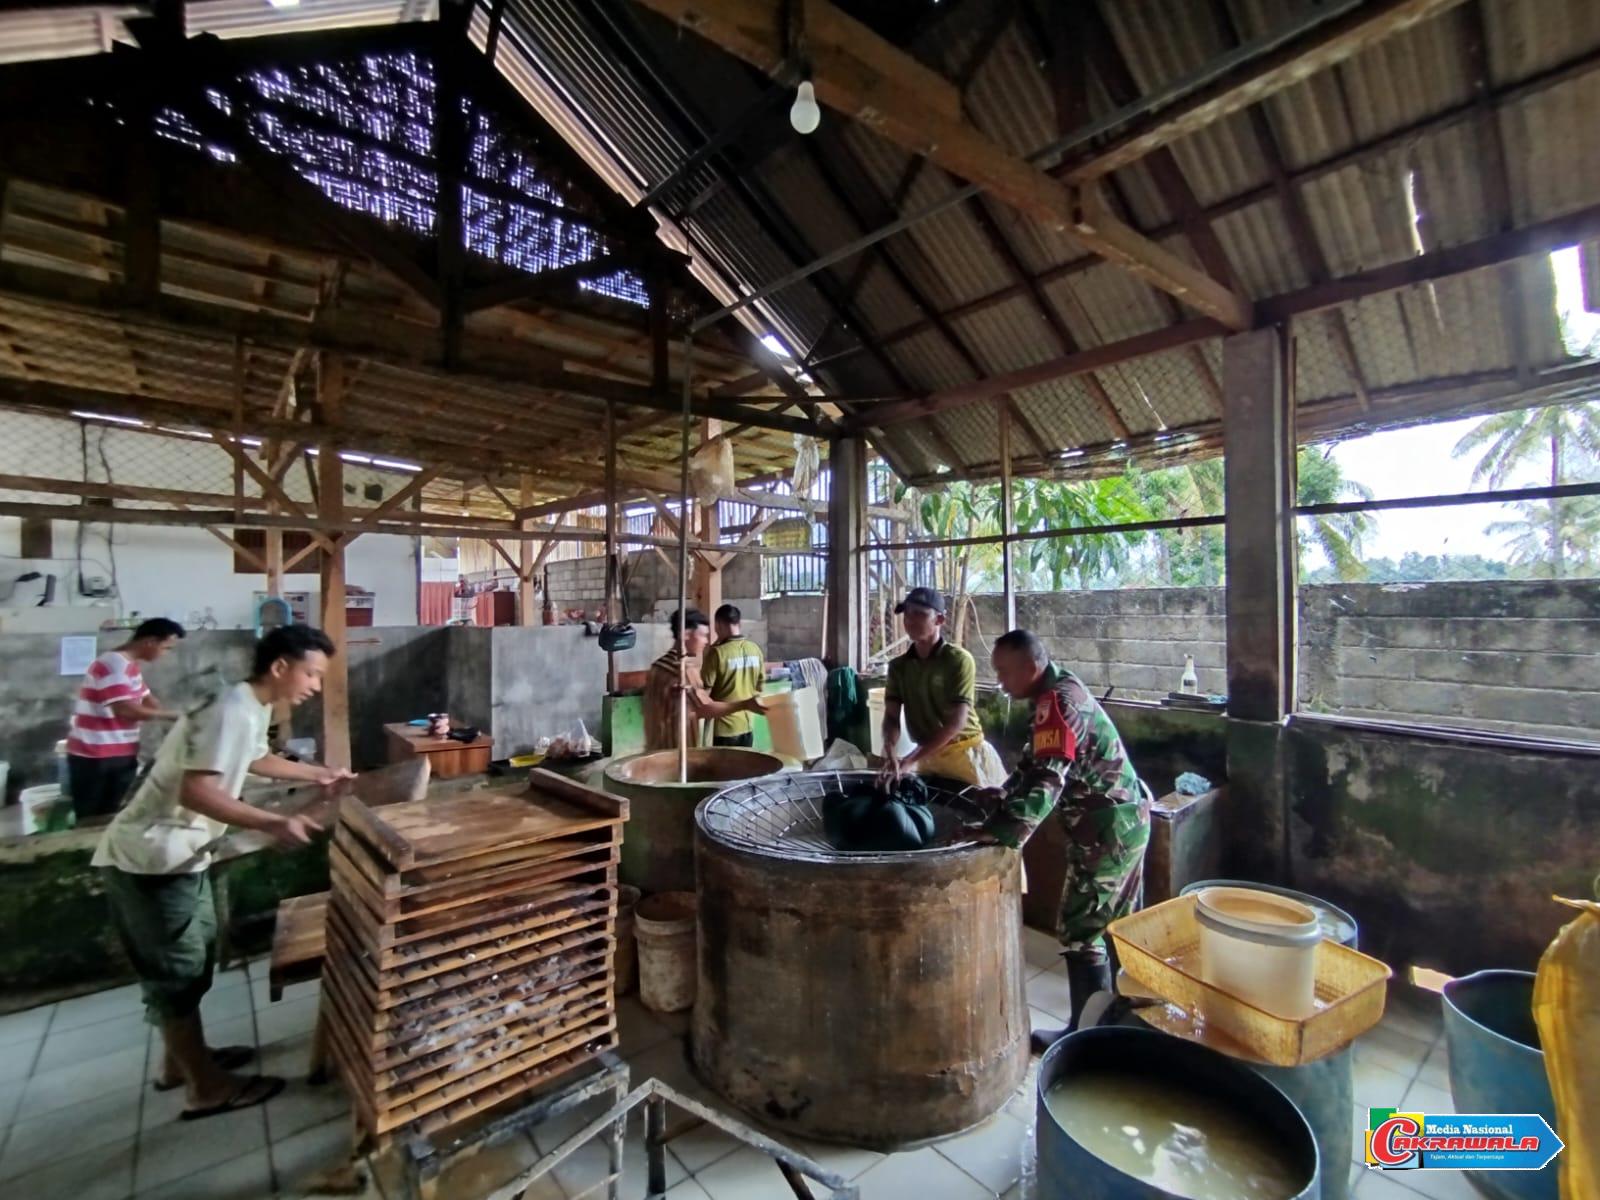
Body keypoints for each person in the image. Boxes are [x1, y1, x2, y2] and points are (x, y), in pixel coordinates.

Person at [91, 624, 355, 1120]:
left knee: (192, 967)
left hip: (181, 856)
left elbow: (257, 758)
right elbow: (198, 792)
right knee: (177, 972)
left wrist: (318, 774)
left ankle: (180, 1064)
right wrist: (276, 821)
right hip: (154, 859)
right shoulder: (230, 710)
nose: (315, 685)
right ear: (280, 667)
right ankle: (204, 1087)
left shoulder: (245, 706)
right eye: (312, 673)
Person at [977, 629, 1153, 1051]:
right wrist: (1003, 793)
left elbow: (1048, 779)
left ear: (1030, 668)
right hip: (1123, 822)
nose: (1000, 682)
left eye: (1003, 672)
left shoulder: (1058, 702)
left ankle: (1084, 1034)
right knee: (1116, 927)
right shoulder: (1057, 691)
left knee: (1081, 929)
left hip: (1107, 832)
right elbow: (1036, 761)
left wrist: (1002, 833)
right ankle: (1118, 1025)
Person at [878, 587, 1006, 789]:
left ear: (939, 620)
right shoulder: (898, 667)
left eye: (919, 614)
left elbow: (956, 724)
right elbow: (892, 717)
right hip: (928, 755)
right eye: (907, 613)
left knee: (979, 813)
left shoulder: (958, 660)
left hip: (964, 753)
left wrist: (910, 760)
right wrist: (890, 748)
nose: (910, 620)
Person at [66, 617, 186, 823]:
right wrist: (177, 716)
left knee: (115, 814)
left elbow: (149, 702)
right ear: (150, 642)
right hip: (96, 755)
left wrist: (180, 725)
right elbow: (126, 710)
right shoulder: (113, 665)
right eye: (166, 648)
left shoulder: (129, 666)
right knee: (93, 816)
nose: (165, 654)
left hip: (120, 752)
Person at [643, 609, 764, 753]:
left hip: (655, 749)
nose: (706, 641)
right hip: (679, 754)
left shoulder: (657, 667)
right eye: (702, 635)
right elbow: (704, 708)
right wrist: (745, 704)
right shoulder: (684, 671)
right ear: (686, 634)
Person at [700, 604, 766, 748]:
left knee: (722, 770)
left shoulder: (716, 653)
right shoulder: (755, 649)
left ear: (717, 625)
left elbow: (704, 693)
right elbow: (760, 687)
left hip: (723, 729)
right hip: (748, 725)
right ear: (739, 624)